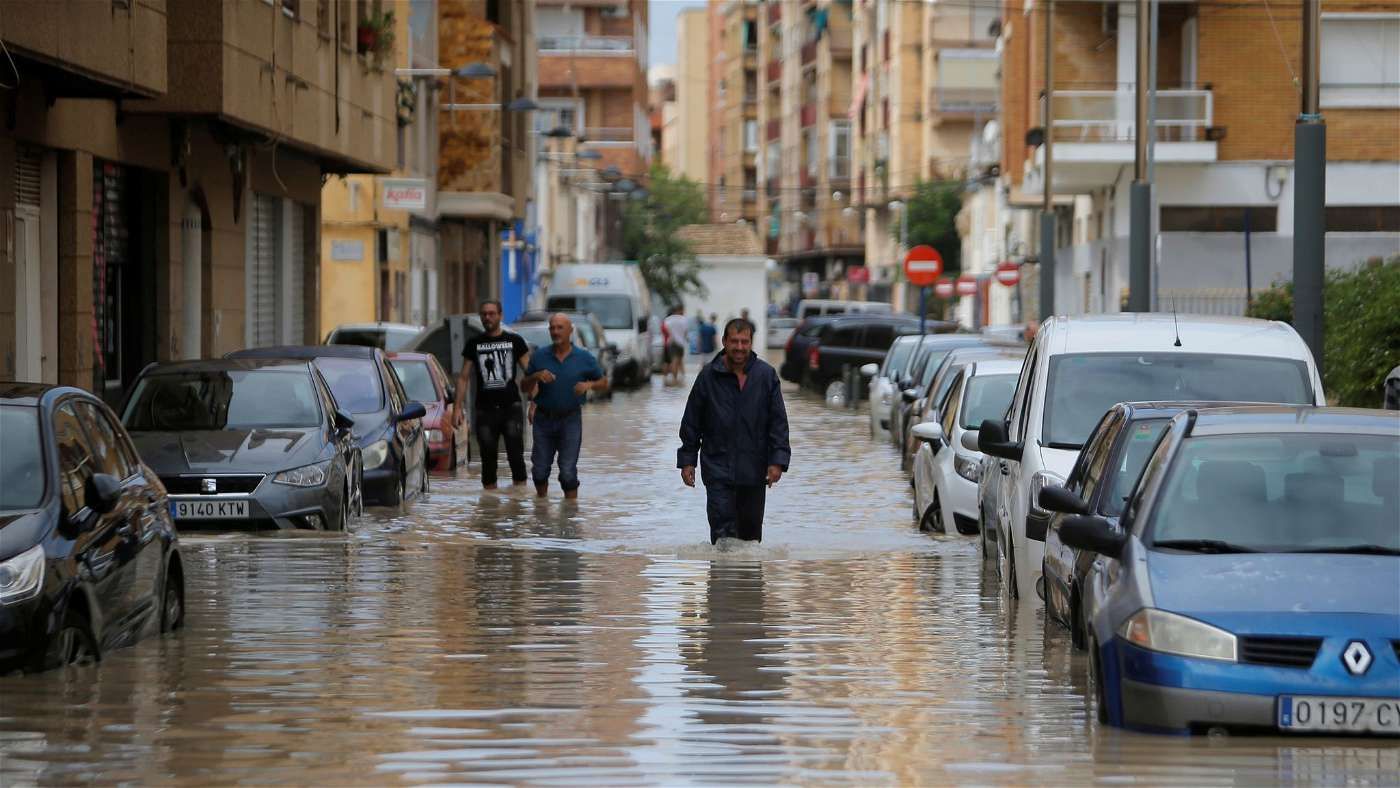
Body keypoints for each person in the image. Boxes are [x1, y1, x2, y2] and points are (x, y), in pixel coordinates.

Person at [677, 318, 791, 544]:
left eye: (744, 342)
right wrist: (688, 460)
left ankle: (747, 580)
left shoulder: (765, 376)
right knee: (723, 538)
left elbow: (778, 423)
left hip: (754, 470)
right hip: (717, 468)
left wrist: (777, 461)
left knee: (750, 539)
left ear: (751, 343)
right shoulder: (708, 377)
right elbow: (692, 421)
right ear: (724, 342)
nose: (739, 347)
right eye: (734, 342)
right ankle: (722, 579)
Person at [522, 314, 609, 499]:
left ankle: (570, 516)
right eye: (552, 328)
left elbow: (604, 382)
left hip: (570, 420)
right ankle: (541, 511)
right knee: (539, 471)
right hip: (543, 420)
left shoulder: (584, 357)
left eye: (560, 327)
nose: (556, 331)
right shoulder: (539, 356)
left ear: (570, 330)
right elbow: (524, 386)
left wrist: (589, 385)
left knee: (568, 472)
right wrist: (535, 376)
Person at [456, 300, 531, 489]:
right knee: (488, 460)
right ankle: (490, 506)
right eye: (484, 314)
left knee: (516, 457)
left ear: (500, 315)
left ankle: (519, 503)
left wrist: (536, 403)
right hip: (484, 410)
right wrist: (457, 407)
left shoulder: (515, 341)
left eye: (491, 313)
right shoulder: (474, 343)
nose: (487, 317)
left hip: (511, 407)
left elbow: (530, 373)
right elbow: (464, 378)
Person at [663, 306, 691, 385]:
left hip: (671, 342)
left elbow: (666, 330)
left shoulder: (668, 319)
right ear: (680, 310)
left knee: (673, 360)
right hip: (680, 343)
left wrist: (672, 336)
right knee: (679, 360)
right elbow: (685, 332)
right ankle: (678, 378)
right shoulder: (684, 319)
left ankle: (674, 379)